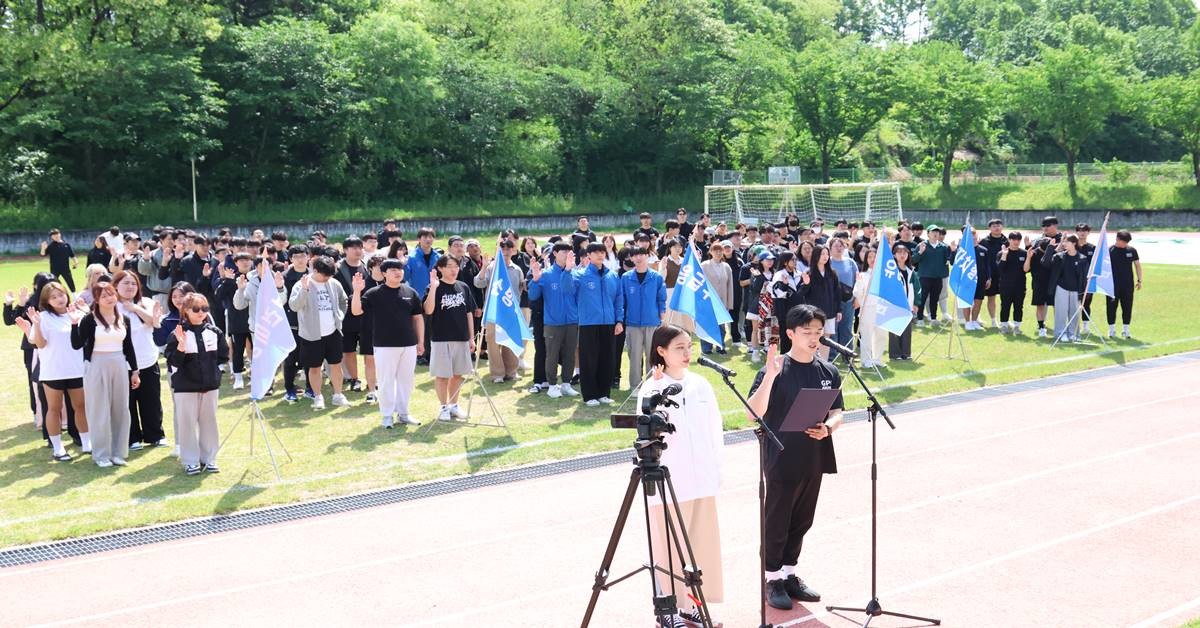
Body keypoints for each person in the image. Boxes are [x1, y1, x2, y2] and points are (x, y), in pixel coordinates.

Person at [748, 305, 845, 611]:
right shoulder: (776, 369)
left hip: (814, 455)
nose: (815, 337)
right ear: (790, 333)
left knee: (803, 519)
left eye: (818, 332)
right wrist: (769, 377)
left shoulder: (828, 371)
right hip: (781, 456)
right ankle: (772, 578)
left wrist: (828, 428)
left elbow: (837, 412)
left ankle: (789, 574)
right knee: (778, 519)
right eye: (807, 332)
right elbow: (753, 413)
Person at [638, 324, 726, 627]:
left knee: (700, 545)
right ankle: (669, 611)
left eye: (689, 346)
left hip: (702, 480)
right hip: (669, 482)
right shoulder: (650, 389)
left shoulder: (700, 384)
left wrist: (717, 469)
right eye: (679, 348)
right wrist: (657, 391)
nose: (687, 353)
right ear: (661, 351)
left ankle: (691, 606)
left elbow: (715, 429)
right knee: (668, 548)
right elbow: (649, 435)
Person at [15, 282, 91, 462]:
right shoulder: (43, 317)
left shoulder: (78, 314)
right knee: (54, 409)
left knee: (80, 406)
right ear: (47, 301)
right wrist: (36, 325)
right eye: (53, 297)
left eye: (61, 294)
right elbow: (40, 344)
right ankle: (58, 448)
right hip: (53, 371)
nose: (59, 299)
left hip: (76, 369)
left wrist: (86, 312)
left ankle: (87, 443)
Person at [71, 282, 141, 467]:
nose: (109, 298)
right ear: (96, 299)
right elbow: (77, 344)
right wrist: (74, 324)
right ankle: (101, 454)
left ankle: (118, 452)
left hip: (119, 364)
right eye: (104, 296)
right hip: (96, 365)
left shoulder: (124, 319)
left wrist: (135, 370)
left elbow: (128, 346)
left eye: (111, 294)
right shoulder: (89, 319)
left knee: (121, 410)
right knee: (99, 410)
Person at [352, 259, 424, 428]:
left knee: (406, 380)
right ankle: (387, 415)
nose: (398, 272)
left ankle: (403, 413)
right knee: (386, 381)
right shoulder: (374, 293)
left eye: (400, 269)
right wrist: (357, 291)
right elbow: (356, 311)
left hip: (408, 344)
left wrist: (420, 341)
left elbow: (418, 318)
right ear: (384, 273)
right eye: (393, 270)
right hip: (384, 344)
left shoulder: (410, 292)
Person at [165, 293, 227, 475]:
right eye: (196, 309)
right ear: (185, 310)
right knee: (187, 424)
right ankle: (190, 460)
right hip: (185, 388)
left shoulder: (214, 332)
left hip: (210, 387)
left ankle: (209, 458)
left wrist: (215, 374)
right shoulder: (177, 334)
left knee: (209, 423)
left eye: (205, 308)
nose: (201, 312)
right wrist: (181, 346)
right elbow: (172, 362)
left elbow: (223, 356)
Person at [289, 255, 351, 410]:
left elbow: (343, 301)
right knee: (315, 367)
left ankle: (338, 395)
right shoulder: (301, 284)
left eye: (329, 275)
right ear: (315, 270)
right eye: (324, 275)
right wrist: (304, 290)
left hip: (333, 332)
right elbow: (294, 306)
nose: (327, 278)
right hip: (311, 335)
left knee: (336, 365)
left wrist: (339, 316)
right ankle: (317, 396)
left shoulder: (334, 283)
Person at [114, 270, 166, 449]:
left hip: (147, 359)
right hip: (123, 362)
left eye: (133, 283)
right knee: (127, 402)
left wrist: (135, 308)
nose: (130, 287)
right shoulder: (112, 306)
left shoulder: (147, 302)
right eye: (125, 283)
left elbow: (154, 323)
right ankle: (132, 437)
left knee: (151, 400)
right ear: (116, 286)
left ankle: (155, 435)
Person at [424, 256, 477, 421]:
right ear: (440, 268)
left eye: (456, 266)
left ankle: (454, 405)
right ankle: (443, 407)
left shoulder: (463, 287)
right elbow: (428, 310)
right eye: (449, 266)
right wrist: (433, 288)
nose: (454, 270)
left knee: (458, 374)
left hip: (461, 337)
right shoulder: (434, 287)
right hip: (441, 338)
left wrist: (471, 337)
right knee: (442, 375)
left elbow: (469, 313)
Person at [528, 242, 580, 399]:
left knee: (570, 354)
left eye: (569, 252)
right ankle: (551, 385)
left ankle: (566, 384)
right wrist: (535, 279)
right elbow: (533, 296)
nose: (566, 255)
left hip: (571, 321)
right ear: (555, 253)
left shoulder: (575, 274)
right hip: (553, 323)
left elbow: (572, 292)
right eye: (563, 252)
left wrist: (569, 270)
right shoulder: (546, 274)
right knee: (552, 354)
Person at [574, 242, 623, 405]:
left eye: (602, 251)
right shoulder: (580, 275)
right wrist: (567, 270)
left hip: (608, 322)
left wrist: (619, 320)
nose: (600, 254)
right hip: (588, 323)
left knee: (607, 358)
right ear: (588, 255)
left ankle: (604, 393)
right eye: (595, 252)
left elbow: (618, 300)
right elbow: (567, 290)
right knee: (589, 359)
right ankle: (590, 395)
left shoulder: (612, 276)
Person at [474, 240, 527, 384]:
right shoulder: (492, 267)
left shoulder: (517, 269)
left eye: (509, 248)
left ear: (513, 250)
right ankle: (497, 374)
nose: (505, 251)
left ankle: (511, 372)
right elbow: (478, 283)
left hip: (511, 312)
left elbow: (522, 287)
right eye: (502, 248)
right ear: (498, 250)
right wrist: (484, 267)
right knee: (493, 343)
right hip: (494, 312)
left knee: (510, 340)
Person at [619, 246, 666, 390]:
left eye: (642, 254)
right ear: (631, 258)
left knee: (652, 356)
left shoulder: (656, 277)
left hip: (652, 322)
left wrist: (663, 320)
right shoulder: (626, 277)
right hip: (632, 323)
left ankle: (652, 386)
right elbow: (621, 301)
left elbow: (661, 299)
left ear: (647, 256)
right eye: (635, 255)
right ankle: (635, 386)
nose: (638, 258)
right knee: (634, 356)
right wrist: (620, 320)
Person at [335, 237, 374, 392]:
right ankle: (354, 378)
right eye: (354, 248)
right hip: (346, 316)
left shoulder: (367, 267)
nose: (358, 251)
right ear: (345, 250)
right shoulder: (337, 269)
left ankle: (372, 380)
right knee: (349, 350)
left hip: (365, 315)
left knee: (369, 351)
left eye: (360, 247)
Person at [1042, 234, 1088, 343]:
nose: (1064, 243)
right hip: (1061, 288)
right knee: (1061, 312)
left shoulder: (1082, 258)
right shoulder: (1059, 257)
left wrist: (1084, 291)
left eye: (1067, 242)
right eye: (1064, 241)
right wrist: (1050, 248)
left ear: (1074, 243)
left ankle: (1074, 334)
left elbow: (1084, 276)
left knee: (1074, 313)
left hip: (1076, 290)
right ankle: (1060, 334)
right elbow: (1045, 263)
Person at [798, 245, 841, 360]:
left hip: (830, 312)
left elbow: (837, 293)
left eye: (827, 254)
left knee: (826, 339)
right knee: (814, 338)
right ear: (816, 255)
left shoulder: (832, 273)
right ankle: (811, 361)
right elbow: (800, 293)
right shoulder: (809, 273)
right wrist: (806, 284)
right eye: (822, 254)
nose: (825, 257)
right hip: (814, 313)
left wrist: (839, 310)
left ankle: (823, 362)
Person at [405, 227, 440, 365]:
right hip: (417, 297)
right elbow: (405, 277)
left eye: (431, 237)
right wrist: (403, 264)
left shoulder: (438, 257)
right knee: (420, 326)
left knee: (434, 326)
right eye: (425, 237)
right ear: (419, 239)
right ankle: (421, 354)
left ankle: (432, 354)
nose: (428, 239)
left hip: (435, 295)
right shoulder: (411, 257)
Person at [281, 245, 312, 402]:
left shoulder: (314, 274)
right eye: (296, 256)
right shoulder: (285, 277)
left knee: (310, 358)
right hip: (291, 322)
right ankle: (289, 388)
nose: (300, 259)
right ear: (290, 259)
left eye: (303, 256)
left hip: (311, 322)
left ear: (308, 257)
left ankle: (310, 387)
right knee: (290, 359)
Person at [852, 248, 887, 368]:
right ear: (866, 259)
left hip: (881, 309)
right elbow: (857, 293)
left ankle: (877, 359)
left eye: (874, 257)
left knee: (881, 334)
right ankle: (866, 360)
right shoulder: (863, 275)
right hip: (867, 309)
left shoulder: (884, 275)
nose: (872, 259)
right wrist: (859, 282)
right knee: (867, 335)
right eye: (870, 257)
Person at [1029, 217, 1063, 338]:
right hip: (1039, 278)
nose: (1045, 228)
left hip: (1056, 278)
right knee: (1040, 304)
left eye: (1048, 225)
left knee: (1057, 304)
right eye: (1044, 225)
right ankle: (1041, 326)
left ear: (1056, 225)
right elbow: (1032, 255)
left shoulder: (1063, 239)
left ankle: (1059, 327)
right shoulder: (1038, 240)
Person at [699, 241, 733, 355]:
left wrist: (729, 303)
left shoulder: (726, 266)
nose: (718, 253)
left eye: (720, 250)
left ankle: (720, 346)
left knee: (721, 326)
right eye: (715, 250)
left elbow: (730, 286)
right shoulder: (704, 265)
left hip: (722, 301)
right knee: (707, 324)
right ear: (710, 252)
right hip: (707, 300)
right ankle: (706, 348)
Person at [912, 226, 950, 327]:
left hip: (938, 278)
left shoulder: (943, 247)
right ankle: (920, 318)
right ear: (928, 234)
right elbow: (913, 260)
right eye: (933, 231)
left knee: (934, 299)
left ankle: (933, 318)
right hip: (924, 277)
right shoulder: (922, 245)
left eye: (937, 231)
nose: (935, 233)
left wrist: (953, 251)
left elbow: (948, 261)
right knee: (922, 299)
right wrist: (920, 252)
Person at [1107, 231, 1142, 338]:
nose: (1125, 244)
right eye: (1124, 242)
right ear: (1117, 239)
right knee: (1111, 307)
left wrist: (1139, 280)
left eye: (1127, 242)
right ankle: (1111, 330)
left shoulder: (1132, 251)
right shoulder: (1109, 250)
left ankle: (1126, 330)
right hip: (1112, 285)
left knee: (1127, 307)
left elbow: (1137, 265)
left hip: (1127, 285)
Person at [995, 232, 1032, 334]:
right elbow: (1000, 269)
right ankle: (1004, 326)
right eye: (1013, 239)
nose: (1016, 242)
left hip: (1020, 285)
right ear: (1009, 240)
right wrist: (1004, 255)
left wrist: (1029, 257)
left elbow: (1026, 270)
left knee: (1019, 306)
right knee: (1005, 306)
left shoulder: (1024, 253)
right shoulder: (1002, 253)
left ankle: (1017, 326)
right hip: (1005, 285)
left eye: (1018, 240)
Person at [828, 238, 858, 356]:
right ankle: (832, 355)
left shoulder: (851, 262)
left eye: (841, 246)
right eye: (836, 246)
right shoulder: (827, 262)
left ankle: (847, 354)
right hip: (832, 301)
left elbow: (857, 281)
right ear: (830, 248)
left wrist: (857, 297)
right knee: (832, 329)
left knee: (847, 328)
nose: (839, 248)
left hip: (848, 300)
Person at [887, 243, 916, 360]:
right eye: (899, 252)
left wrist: (915, 304)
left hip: (908, 304)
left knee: (907, 330)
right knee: (895, 329)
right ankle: (895, 354)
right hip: (895, 304)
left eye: (905, 252)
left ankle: (906, 353)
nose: (902, 255)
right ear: (894, 255)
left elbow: (915, 288)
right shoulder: (892, 270)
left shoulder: (910, 271)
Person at [981, 219, 1007, 327]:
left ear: (1002, 227)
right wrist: (987, 276)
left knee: (1006, 298)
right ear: (989, 228)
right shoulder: (984, 242)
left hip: (1004, 275)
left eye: (998, 225)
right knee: (991, 297)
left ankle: (1004, 320)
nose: (996, 228)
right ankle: (993, 320)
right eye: (994, 226)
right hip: (990, 275)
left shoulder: (1007, 241)